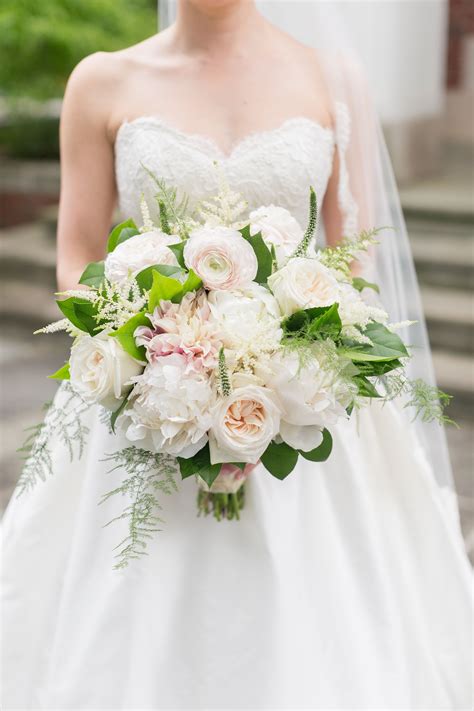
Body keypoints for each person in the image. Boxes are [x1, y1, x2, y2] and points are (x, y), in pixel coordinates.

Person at [2, 1, 472, 708]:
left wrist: (281, 352)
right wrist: (159, 343)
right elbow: (76, 259)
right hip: (149, 397)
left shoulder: (335, 79)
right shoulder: (100, 81)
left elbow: (357, 262)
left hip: (306, 402)